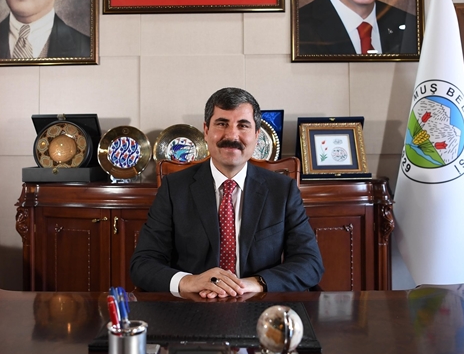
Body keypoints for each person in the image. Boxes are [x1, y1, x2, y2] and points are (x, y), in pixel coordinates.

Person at [130, 88, 324, 299]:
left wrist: (256, 283)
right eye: (222, 124)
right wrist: (189, 281)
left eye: (243, 125)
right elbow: (143, 263)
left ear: (257, 135)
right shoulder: (174, 188)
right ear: (206, 131)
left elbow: (310, 263)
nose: (231, 135)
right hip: (193, 305)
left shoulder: (282, 190)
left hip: (259, 305)